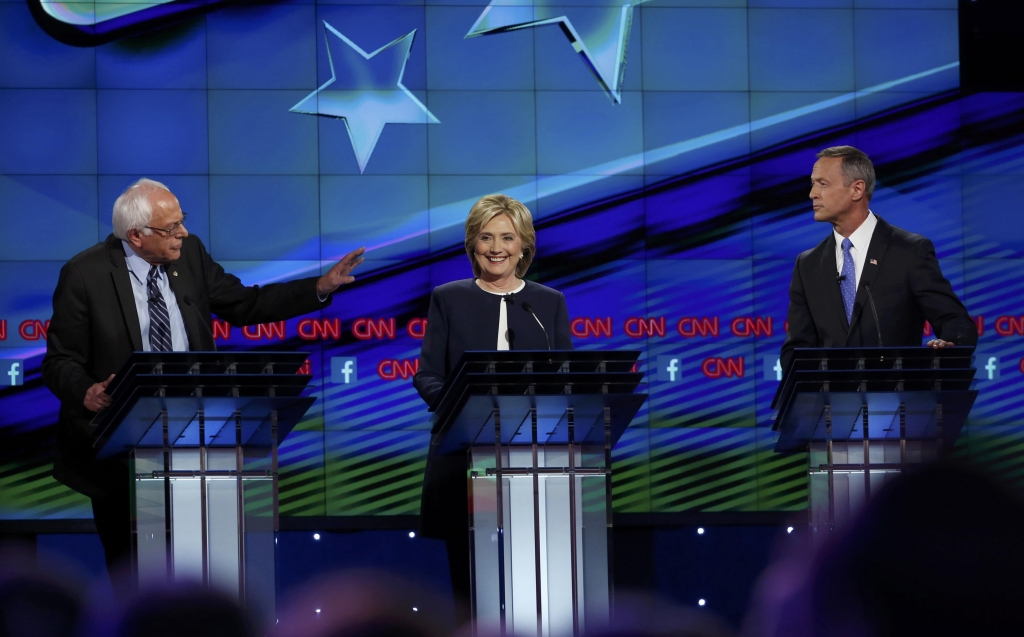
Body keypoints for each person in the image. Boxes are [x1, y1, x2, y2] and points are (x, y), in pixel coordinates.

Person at [41, 178, 365, 576]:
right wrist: (86, 391)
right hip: (120, 450)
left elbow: (246, 305)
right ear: (135, 236)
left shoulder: (189, 255)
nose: (184, 234)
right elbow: (60, 360)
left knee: (202, 570)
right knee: (136, 573)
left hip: (199, 438)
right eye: (171, 228)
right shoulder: (84, 273)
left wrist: (319, 287)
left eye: (182, 222)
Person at [413, 194, 572, 621]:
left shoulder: (548, 302)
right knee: (471, 586)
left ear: (524, 247)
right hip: (464, 458)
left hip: (534, 458)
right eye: (485, 237)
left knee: (530, 579)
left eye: (506, 237)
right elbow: (427, 375)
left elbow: (566, 380)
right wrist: (462, 410)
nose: (495, 247)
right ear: (472, 244)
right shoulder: (448, 298)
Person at [780, 146, 977, 370]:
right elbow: (795, 349)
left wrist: (949, 346)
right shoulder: (808, 265)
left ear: (857, 190)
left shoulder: (909, 251)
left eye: (823, 184)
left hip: (897, 398)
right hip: (833, 402)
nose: (812, 193)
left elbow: (955, 321)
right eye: (813, 184)